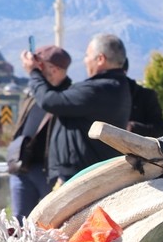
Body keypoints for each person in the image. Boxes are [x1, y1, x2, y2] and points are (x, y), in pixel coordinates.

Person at [21, 33, 132, 188]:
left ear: (100, 59)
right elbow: (64, 98)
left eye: (87, 56)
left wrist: (34, 72)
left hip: (80, 179)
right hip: (85, 175)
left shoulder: (99, 89)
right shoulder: (112, 87)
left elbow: (50, 101)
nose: (85, 60)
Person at [8, 45, 72, 220]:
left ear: (55, 69)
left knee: (52, 222)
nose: (36, 70)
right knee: (20, 222)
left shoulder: (68, 97)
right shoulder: (35, 91)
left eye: (40, 66)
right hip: (22, 167)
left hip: (50, 173)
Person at [122, 59, 163, 139]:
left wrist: (132, 127)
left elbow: (161, 129)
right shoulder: (99, 95)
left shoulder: (145, 95)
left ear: (124, 72)